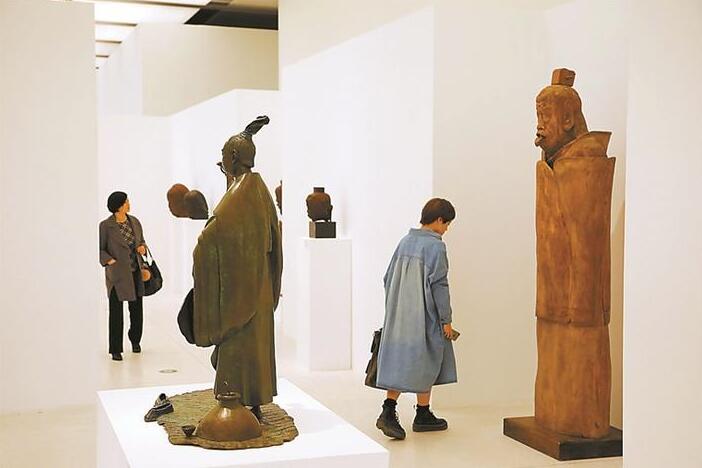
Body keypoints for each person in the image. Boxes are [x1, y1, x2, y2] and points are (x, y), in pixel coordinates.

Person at [375, 198, 458, 440]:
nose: (446, 229)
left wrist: (396, 307)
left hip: (399, 315)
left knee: (401, 361)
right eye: (447, 224)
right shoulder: (435, 247)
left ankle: (409, 411)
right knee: (429, 359)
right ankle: (408, 414)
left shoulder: (405, 241)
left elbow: (387, 278)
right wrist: (446, 320)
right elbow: (439, 286)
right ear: (439, 220)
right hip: (425, 316)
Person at [99, 191, 148, 361]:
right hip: (117, 275)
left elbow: (142, 241)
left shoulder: (135, 222)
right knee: (116, 313)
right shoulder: (105, 226)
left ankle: (135, 340)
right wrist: (109, 260)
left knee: (136, 310)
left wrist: (142, 248)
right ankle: (115, 349)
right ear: (119, 206)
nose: (129, 203)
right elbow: (99, 249)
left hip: (135, 272)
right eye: (126, 201)